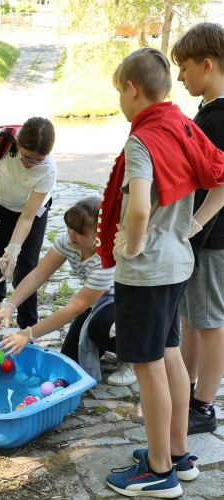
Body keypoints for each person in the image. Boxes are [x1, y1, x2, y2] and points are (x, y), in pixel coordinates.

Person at [98, 47, 224, 498]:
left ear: (133, 89)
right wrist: (193, 225)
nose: (120, 102)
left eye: (120, 93)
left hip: (147, 271)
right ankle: (178, 454)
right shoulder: (185, 126)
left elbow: (136, 206)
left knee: (147, 365)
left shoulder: (142, 139)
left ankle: (157, 472)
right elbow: (222, 177)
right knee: (169, 354)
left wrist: (130, 247)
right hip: (178, 263)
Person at [0, 196, 136, 386]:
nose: (71, 234)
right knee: (71, 361)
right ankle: (109, 340)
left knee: (98, 328)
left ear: (99, 234)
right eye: (70, 226)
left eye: (80, 231)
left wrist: (29, 333)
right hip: (99, 301)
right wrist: (10, 305)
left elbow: (74, 308)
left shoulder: (106, 261)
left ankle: (136, 356)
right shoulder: (68, 241)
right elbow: (38, 275)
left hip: (130, 303)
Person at [171, 22, 224, 436]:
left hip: (213, 240)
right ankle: (185, 390)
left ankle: (204, 405)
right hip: (198, 239)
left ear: (207, 65)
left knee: (209, 322)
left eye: (185, 68)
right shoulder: (207, 113)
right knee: (190, 317)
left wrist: (196, 224)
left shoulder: (220, 116)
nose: (181, 77)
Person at [0, 117, 56, 331]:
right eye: (26, 158)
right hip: (0, 203)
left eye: (38, 161)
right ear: (18, 144)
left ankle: (27, 328)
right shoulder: (2, 139)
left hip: (31, 213)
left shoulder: (48, 171)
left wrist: (13, 249)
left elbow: (28, 217)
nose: (31, 165)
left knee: (25, 268)